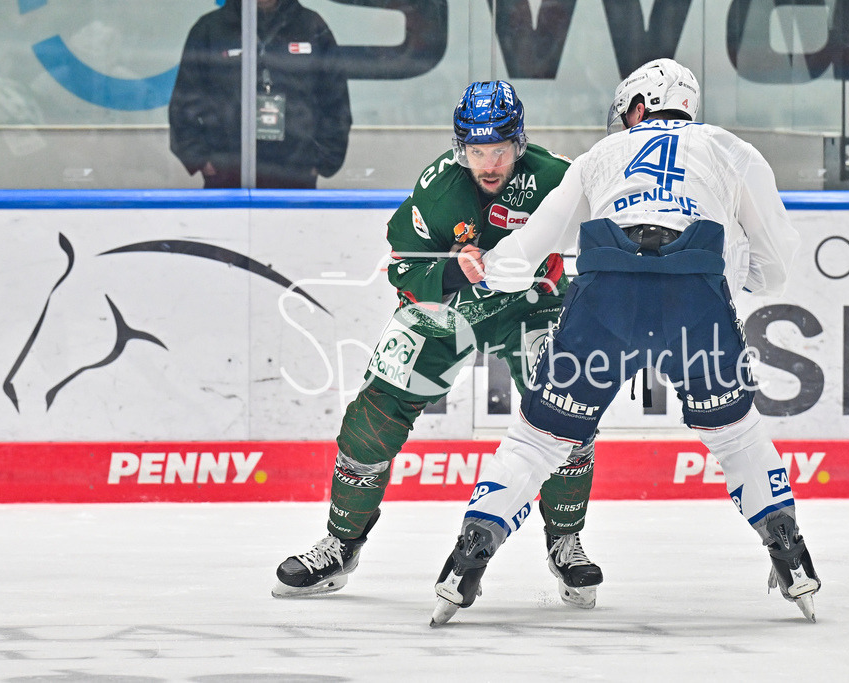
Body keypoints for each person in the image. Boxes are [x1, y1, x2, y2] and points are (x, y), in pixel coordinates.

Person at [430, 59, 821, 626]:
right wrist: (735, 279)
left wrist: (479, 269)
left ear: (638, 107)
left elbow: (527, 252)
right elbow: (778, 267)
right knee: (738, 438)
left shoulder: (599, 157)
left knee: (536, 442)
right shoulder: (729, 149)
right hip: (695, 297)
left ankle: (466, 561)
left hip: (605, 296)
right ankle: (791, 557)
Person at [271, 80, 603, 609]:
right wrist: (451, 275)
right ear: (460, 147)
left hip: (532, 304)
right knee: (372, 419)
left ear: (519, 143)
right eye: (476, 150)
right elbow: (402, 266)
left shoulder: (556, 178)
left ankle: (564, 540)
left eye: (498, 149)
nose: (488, 163)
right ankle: (339, 546)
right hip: (448, 311)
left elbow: (602, 234)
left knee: (567, 411)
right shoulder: (439, 189)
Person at [168, 0, 351, 188]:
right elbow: (183, 104)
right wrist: (201, 161)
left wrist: (320, 162)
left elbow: (336, 101)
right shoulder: (210, 29)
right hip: (227, 176)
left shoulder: (311, 26)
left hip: (295, 177)